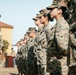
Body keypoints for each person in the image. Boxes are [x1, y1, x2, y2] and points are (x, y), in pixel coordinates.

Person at [47, 0, 70, 75]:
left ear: (60, 11)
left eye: (52, 9)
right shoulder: (56, 26)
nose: (50, 12)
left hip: (60, 64)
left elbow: (63, 47)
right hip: (54, 64)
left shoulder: (62, 25)